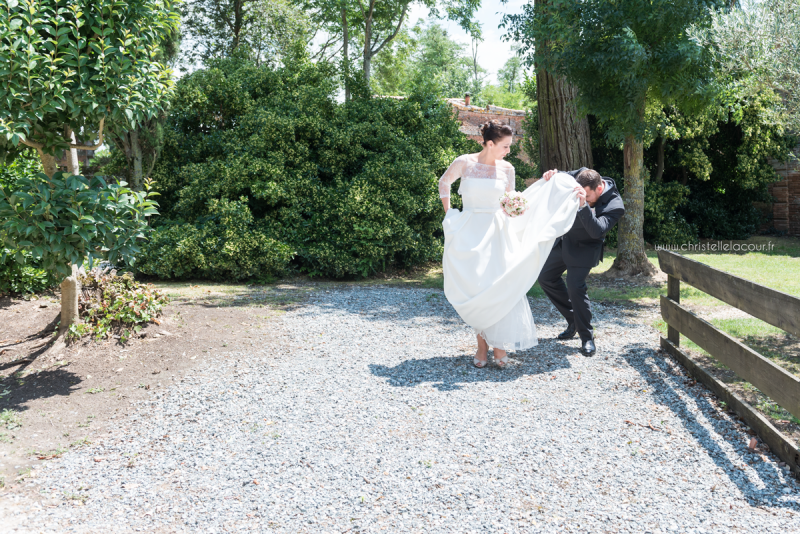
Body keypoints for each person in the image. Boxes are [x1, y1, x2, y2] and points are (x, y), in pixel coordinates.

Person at [439, 120, 584, 368]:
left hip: (498, 232)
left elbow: (512, 199)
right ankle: (481, 346)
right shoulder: (464, 162)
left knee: (499, 286)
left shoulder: (507, 168)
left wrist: (540, 191)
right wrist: (450, 214)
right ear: (490, 143)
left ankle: (499, 346)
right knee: (477, 287)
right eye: (505, 146)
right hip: (469, 230)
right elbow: (444, 182)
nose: (508, 151)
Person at [539, 167, 626, 356]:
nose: (584, 198)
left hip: (585, 247)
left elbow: (597, 231)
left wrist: (583, 205)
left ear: (599, 189)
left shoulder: (615, 205)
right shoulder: (582, 175)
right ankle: (573, 320)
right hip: (565, 240)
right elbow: (562, 177)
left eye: (587, 196)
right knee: (545, 277)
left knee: (575, 286)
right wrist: (553, 174)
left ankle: (587, 337)